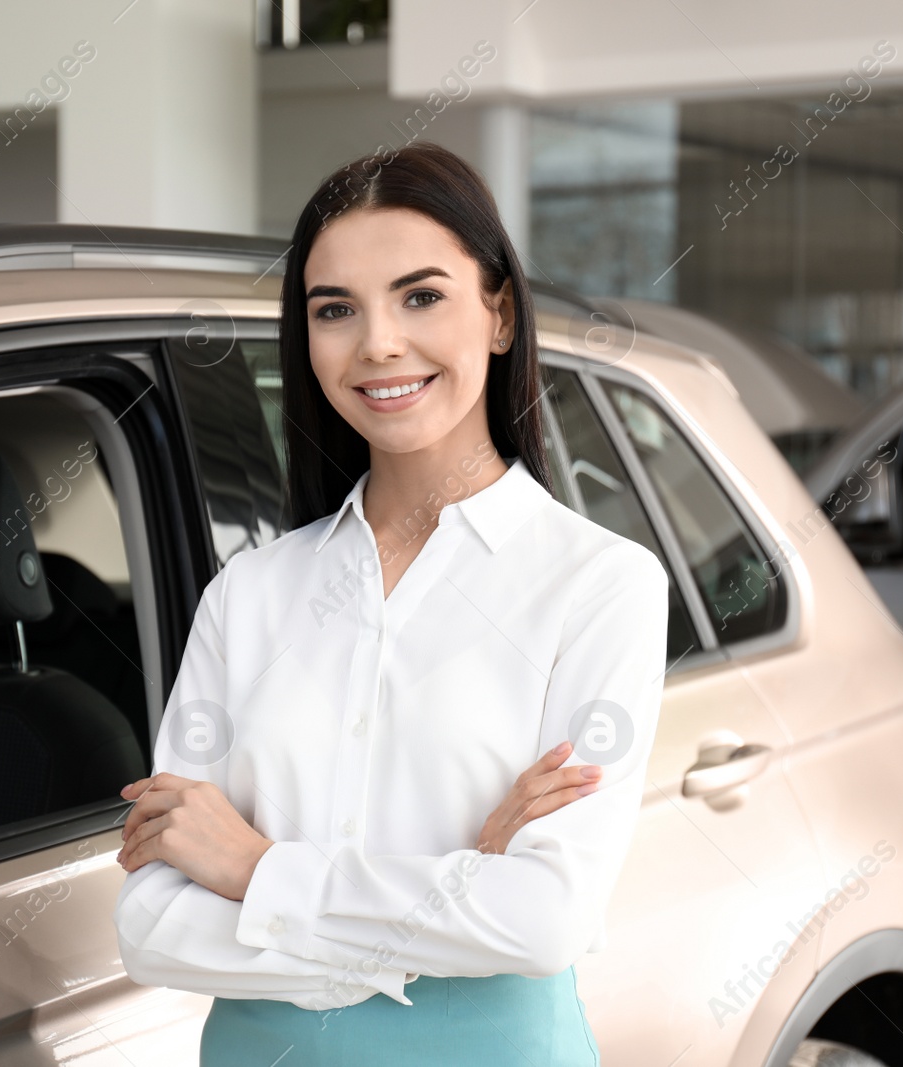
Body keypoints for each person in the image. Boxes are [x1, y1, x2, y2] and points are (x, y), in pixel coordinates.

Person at [110, 140, 670, 1066]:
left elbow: (541, 922)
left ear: (495, 312)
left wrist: (255, 871)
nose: (377, 343)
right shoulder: (248, 595)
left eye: (420, 296)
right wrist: (460, 892)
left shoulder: (600, 585)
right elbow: (153, 928)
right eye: (336, 309)